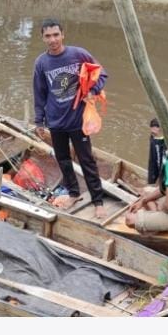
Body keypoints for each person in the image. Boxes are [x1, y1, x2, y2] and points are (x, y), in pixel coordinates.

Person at [33, 18, 108, 219]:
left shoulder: (78, 54)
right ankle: (73, 193)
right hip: (56, 122)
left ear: (63, 35)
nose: (52, 39)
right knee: (63, 159)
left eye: (56, 35)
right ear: (42, 38)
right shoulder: (41, 63)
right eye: (48, 36)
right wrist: (39, 121)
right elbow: (39, 93)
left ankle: (98, 200)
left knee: (87, 160)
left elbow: (102, 74)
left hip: (77, 120)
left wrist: (93, 90)